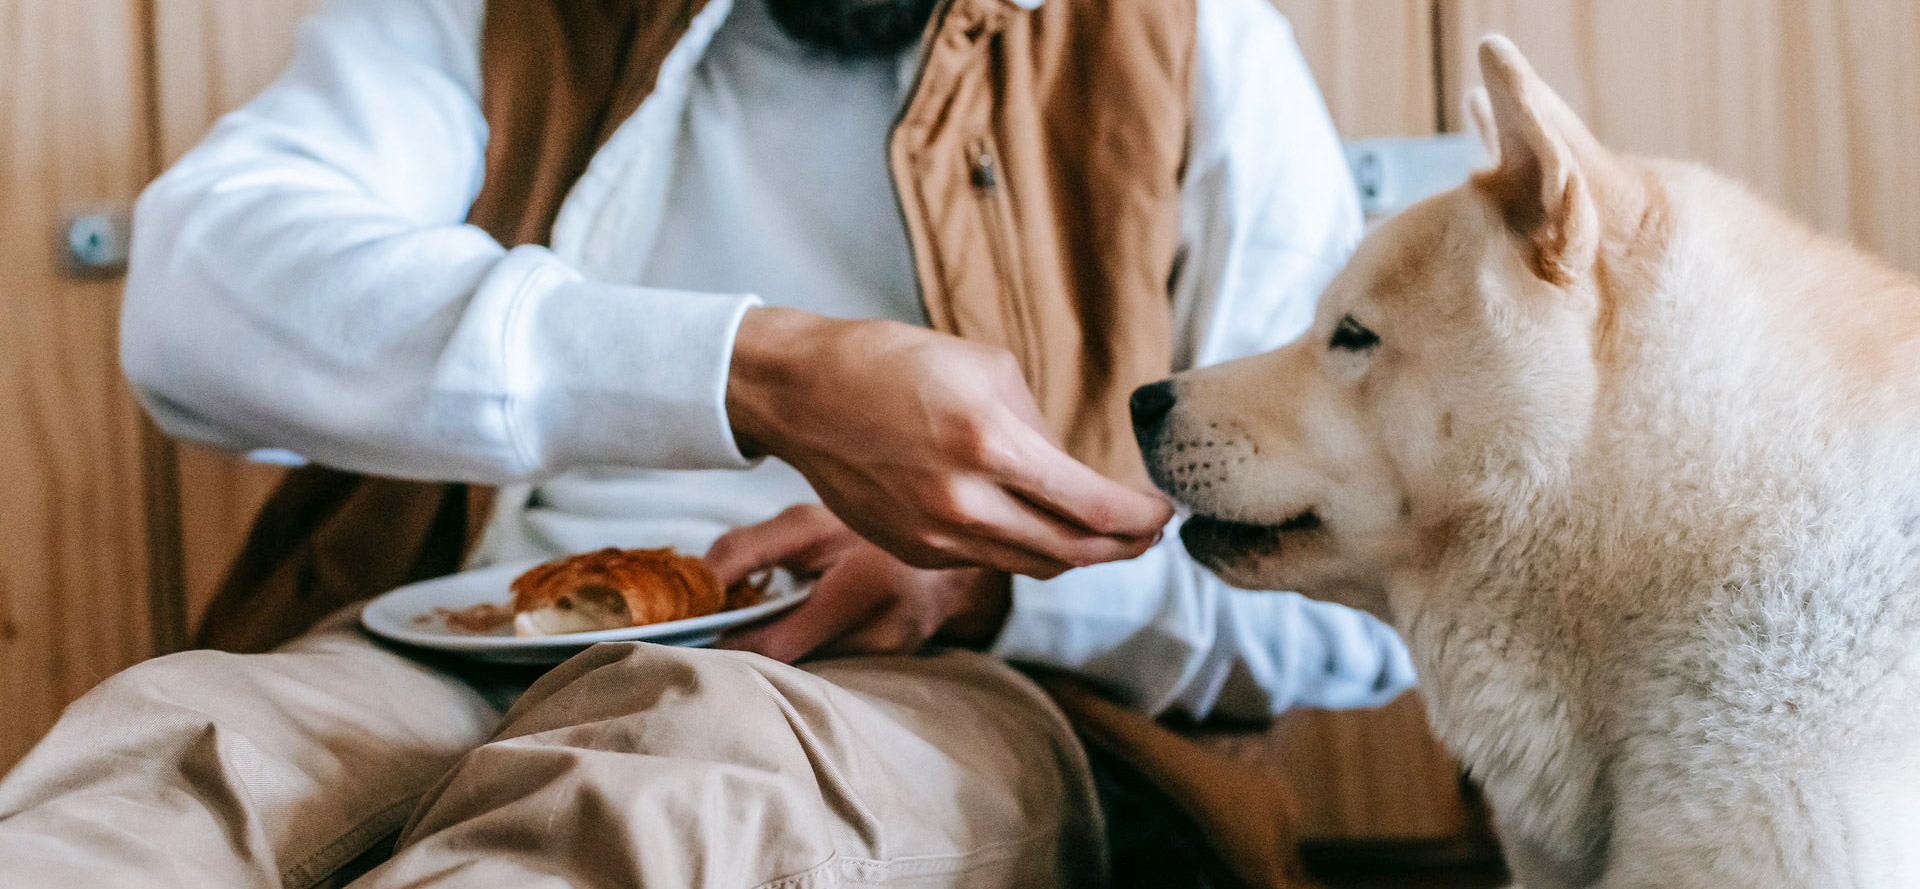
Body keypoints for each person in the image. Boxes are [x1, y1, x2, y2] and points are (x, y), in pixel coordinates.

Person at [0, 0, 1415, 886]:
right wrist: (752, 372)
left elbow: (1367, 600)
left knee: (686, 787)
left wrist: (989, 578)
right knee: (170, 755)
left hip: (939, 681)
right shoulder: (496, 15)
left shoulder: (1186, 37)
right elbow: (194, 292)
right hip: (454, 640)